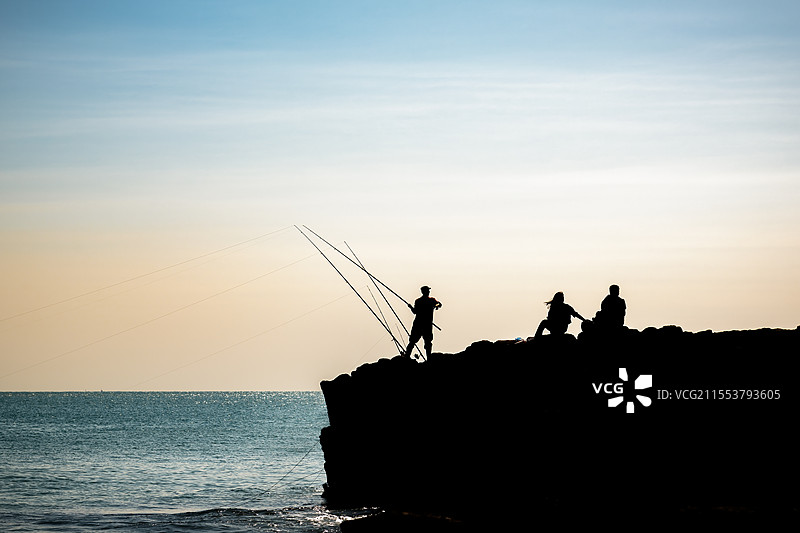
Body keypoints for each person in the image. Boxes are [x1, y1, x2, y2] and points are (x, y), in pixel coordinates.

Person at [404, 286, 442, 359]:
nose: (429, 292)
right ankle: (429, 358)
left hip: (418, 324)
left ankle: (407, 356)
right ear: (425, 292)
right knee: (427, 342)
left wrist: (410, 307)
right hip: (427, 325)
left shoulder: (418, 301)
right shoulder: (431, 300)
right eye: (428, 290)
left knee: (412, 341)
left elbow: (415, 311)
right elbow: (439, 304)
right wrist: (436, 305)